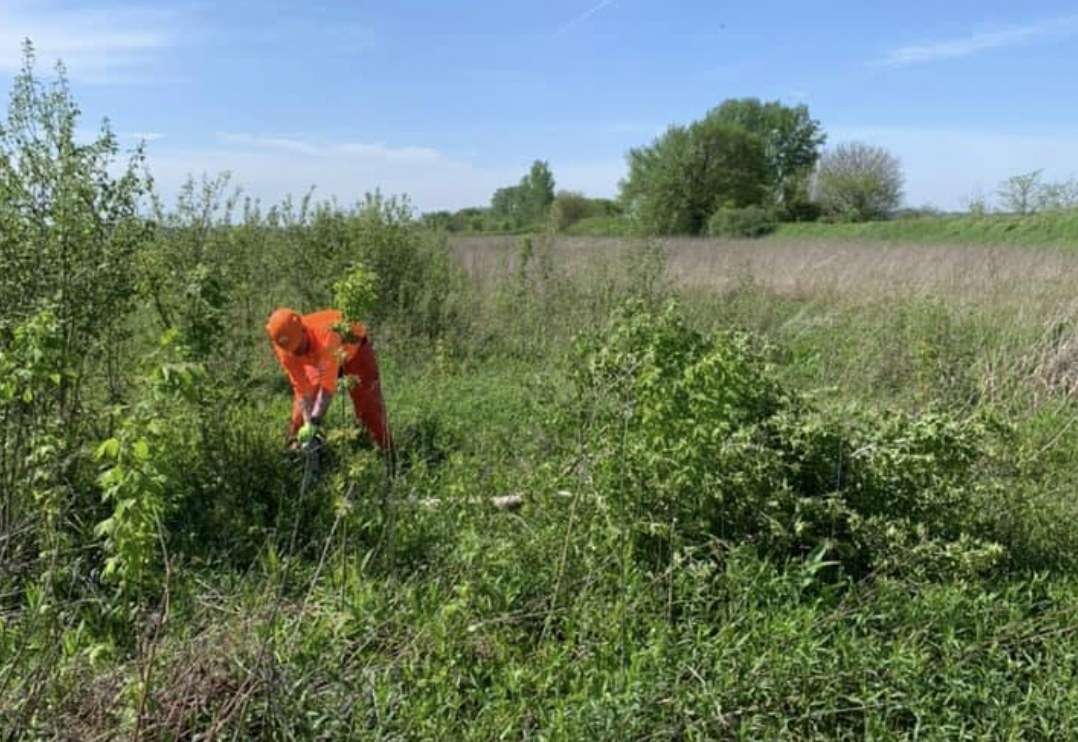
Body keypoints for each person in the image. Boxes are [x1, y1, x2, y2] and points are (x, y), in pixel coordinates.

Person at [265, 308, 390, 449]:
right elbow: (301, 387)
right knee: (299, 416)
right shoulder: (284, 347)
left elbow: (327, 387)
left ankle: (388, 453)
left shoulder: (328, 333)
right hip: (317, 357)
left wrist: (314, 421)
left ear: (303, 329)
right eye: (293, 350)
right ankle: (294, 451)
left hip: (354, 351)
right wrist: (307, 423)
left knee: (368, 407)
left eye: (300, 346)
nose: (297, 352)